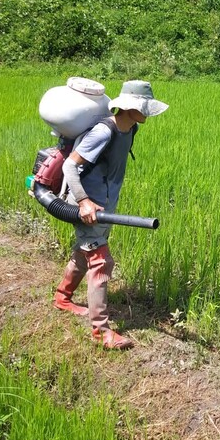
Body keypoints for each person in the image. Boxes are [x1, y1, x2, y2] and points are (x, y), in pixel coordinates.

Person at [53, 80, 168, 349]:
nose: (148, 112)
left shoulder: (131, 129)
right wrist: (83, 202)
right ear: (129, 108)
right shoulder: (104, 132)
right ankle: (101, 332)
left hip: (104, 207)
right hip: (87, 207)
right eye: (144, 107)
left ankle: (62, 298)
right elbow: (70, 167)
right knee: (101, 262)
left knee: (84, 255)